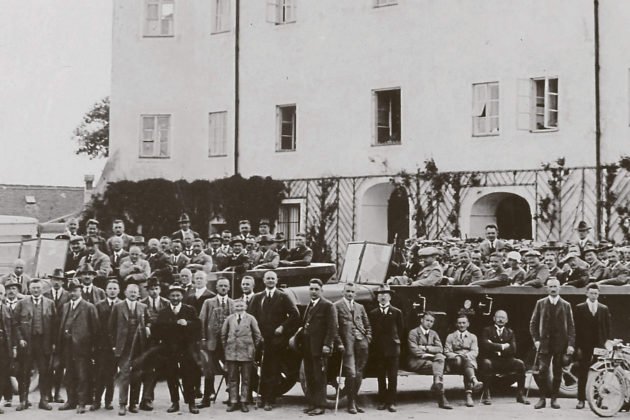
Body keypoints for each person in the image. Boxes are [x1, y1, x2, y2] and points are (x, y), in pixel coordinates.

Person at [247, 271, 300, 411]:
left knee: (273, 370)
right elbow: (250, 317)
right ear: (264, 281)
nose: (270, 281)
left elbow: (295, 315)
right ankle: (261, 397)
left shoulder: (283, 296)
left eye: (272, 278)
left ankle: (269, 400)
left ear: (276, 280)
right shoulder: (257, 297)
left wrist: (283, 327)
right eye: (268, 278)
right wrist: (256, 333)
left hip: (276, 341)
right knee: (261, 369)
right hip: (260, 339)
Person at [152, 283, 200, 414]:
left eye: (178, 295)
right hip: (169, 350)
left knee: (188, 376)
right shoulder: (163, 312)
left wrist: (187, 323)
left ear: (182, 296)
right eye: (172, 295)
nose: (175, 298)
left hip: (186, 349)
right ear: (169, 297)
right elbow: (156, 331)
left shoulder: (189, 310)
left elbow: (198, 326)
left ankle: (191, 403)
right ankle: (175, 402)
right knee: (171, 376)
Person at [529, 277, 575, 409]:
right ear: (547, 288)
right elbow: (533, 323)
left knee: (557, 372)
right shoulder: (540, 303)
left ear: (559, 288)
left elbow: (571, 326)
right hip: (544, 344)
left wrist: (571, 344)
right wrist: (536, 340)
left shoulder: (566, 305)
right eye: (550, 287)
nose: (553, 289)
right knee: (542, 371)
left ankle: (554, 399)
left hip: (560, 344)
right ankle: (542, 398)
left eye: (555, 286)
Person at [13, 279, 56, 411]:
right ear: (29, 289)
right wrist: (20, 339)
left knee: (44, 372)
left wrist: (53, 343)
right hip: (27, 343)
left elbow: (55, 324)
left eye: (38, 288)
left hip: (44, 343)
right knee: (24, 372)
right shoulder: (22, 303)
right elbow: (15, 323)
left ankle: (43, 400)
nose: (36, 290)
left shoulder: (50, 303)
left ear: (42, 289)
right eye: (33, 288)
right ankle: (23, 400)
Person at [57, 279, 99, 414]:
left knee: (82, 375)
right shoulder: (65, 306)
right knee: (69, 374)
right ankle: (71, 401)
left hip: (82, 348)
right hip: (67, 347)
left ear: (80, 291)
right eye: (71, 291)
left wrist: (92, 348)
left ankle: (81, 403)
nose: (73, 294)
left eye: (75, 291)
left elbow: (95, 330)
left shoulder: (89, 307)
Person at [109, 283, 150, 415]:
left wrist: (148, 327)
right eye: (130, 292)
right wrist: (114, 345)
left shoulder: (143, 307)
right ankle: (122, 404)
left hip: (139, 346)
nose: (133, 294)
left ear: (138, 294)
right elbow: (111, 328)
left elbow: (148, 321)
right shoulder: (118, 307)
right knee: (124, 375)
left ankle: (133, 404)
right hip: (124, 347)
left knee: (137, 375)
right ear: (125, 293)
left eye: (135, 292)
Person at [301, 279, 337, 416]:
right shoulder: (309, 305)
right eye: (311, 289)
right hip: (308, 347)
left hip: (320, 348)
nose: (314, 292)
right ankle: (312, 404)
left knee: (319, 377)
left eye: (316, 289)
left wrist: (327, 345)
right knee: (310, 376)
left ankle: (320, 405)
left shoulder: (328, 305)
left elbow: (332, 327)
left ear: (322, 290)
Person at [334, 283, 371, 414]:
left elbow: (367, 324)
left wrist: (368, 337)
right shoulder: (337, 306)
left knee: (359, 373)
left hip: (361, 344)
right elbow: (335, 328)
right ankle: (350, 404)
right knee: (351, 373)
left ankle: (354, 401)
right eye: (348, 291)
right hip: (347, 345)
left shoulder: (360, 307)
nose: (350, 294)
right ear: (343, 292)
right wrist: (339, 343)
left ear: (355, 294)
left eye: (352, 292)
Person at [574, 283, 611, 409]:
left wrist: (606, 344)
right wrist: (577, 347)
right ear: (586, 293)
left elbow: (607, 328)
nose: (594, 296)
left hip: (599, 346)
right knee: (583, 372)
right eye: (591, 293)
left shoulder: (603, 309)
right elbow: (576, 329)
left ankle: (599, 400)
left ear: (598, 294)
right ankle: (581, 400)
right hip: (584, 346)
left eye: (596, 293)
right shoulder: (580, 308)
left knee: (600, 373)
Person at [221, 299, 263, 413]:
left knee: (246, 378)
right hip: (232, 353)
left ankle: (244, 401)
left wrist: (252, 347)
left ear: (245, 306)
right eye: (237, 306)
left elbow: (257, 335)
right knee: (233, 378)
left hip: (247, 353)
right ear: (234, 307)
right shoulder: (229, 319)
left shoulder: (250, 318)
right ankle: (234, 401)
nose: (239, 308)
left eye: (241, 306)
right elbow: (223, 335)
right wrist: (227, 347)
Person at [479, 310, 528, 405]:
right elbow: (485, 346)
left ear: (507, 320)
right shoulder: (487, 330)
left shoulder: (510, 332)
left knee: (520, 364)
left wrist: (492, 344)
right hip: (492, 359)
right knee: (486, 364)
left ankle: (520, 395)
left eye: (503, 318)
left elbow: (513, 349)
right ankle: (486, 394)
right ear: (494, 318)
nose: (500, 320)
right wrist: (502, 346)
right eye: (498, 317)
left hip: (507, 360)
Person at [199, 278, 234, 407]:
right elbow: (202, 321)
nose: (223, 288)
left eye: (225, 286)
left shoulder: (233, 303)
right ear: (217, 288)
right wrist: (203, 338)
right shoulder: (208, 302)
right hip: (212, 342)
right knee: (209, 370)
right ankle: (207, 398)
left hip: (228, 343)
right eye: (221, 286)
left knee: (229, 369)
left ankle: (232, 397)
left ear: (229, 288)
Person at [368, 284, 403, 412]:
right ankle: (382, 400)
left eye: (385, 294)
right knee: (381, 376)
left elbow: (400, 330)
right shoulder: (373, 313)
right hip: (379, 349)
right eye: (380, 295)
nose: (383, 297)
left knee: (393, 376)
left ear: (390, 297)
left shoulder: (396, 312)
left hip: (393, 349)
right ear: (377, 298)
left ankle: (392, 402)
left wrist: (395, 342)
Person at [406, 312, 450, 409]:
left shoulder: (434, 333)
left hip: (431, 362)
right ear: (422, 320)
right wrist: (429, 354)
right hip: (416, 362)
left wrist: (425, 348)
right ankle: (441, 395)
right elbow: (415, 350)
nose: (429, 323)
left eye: (431, 321)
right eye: (427, 320)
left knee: (439, 357)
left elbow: (440, 348)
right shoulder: (413, 332)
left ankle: (437, 384)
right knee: (439, 363)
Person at [138, 277, 170, 411]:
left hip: (165, 342)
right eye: (151, 289)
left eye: (156, 289)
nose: (154, 292)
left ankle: (180, 399)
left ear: (160, 289)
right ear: (147, 290)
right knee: (149, 370)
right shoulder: (142, 303)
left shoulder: (167, 303)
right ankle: (147, 398)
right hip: (148, 343)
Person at [92, 280, 121, 412]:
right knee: (99, 374)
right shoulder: (99, 305)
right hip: (102, 346)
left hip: (116, 345)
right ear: (106, 290)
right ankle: (97, 401)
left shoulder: (122, 305)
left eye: (115, 288)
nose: (112, 291)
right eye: (110, 288)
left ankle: (108, 401)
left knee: (111, 374)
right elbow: (95, 327)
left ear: (119, 290)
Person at [444, 314, 483, 407]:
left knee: (466, 364)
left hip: (468, 361)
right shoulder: (450, 336)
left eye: (464, 323)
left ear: (468, 324)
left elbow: (474, 352)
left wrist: (465, 356)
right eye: (459, 323)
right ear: (456, 324)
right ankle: (474, 381)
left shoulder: (473, 337)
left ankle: (469, 396)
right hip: (455, 362)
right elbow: (446, 351)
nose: (461, 325)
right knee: (465, 363)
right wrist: (457, 355)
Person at [0, 285, 15, 415]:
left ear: (3, 295)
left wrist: (13, 347)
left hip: (4, 348)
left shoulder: (6, 310)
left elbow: (12, 330)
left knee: (2, 375)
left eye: (0, 293)